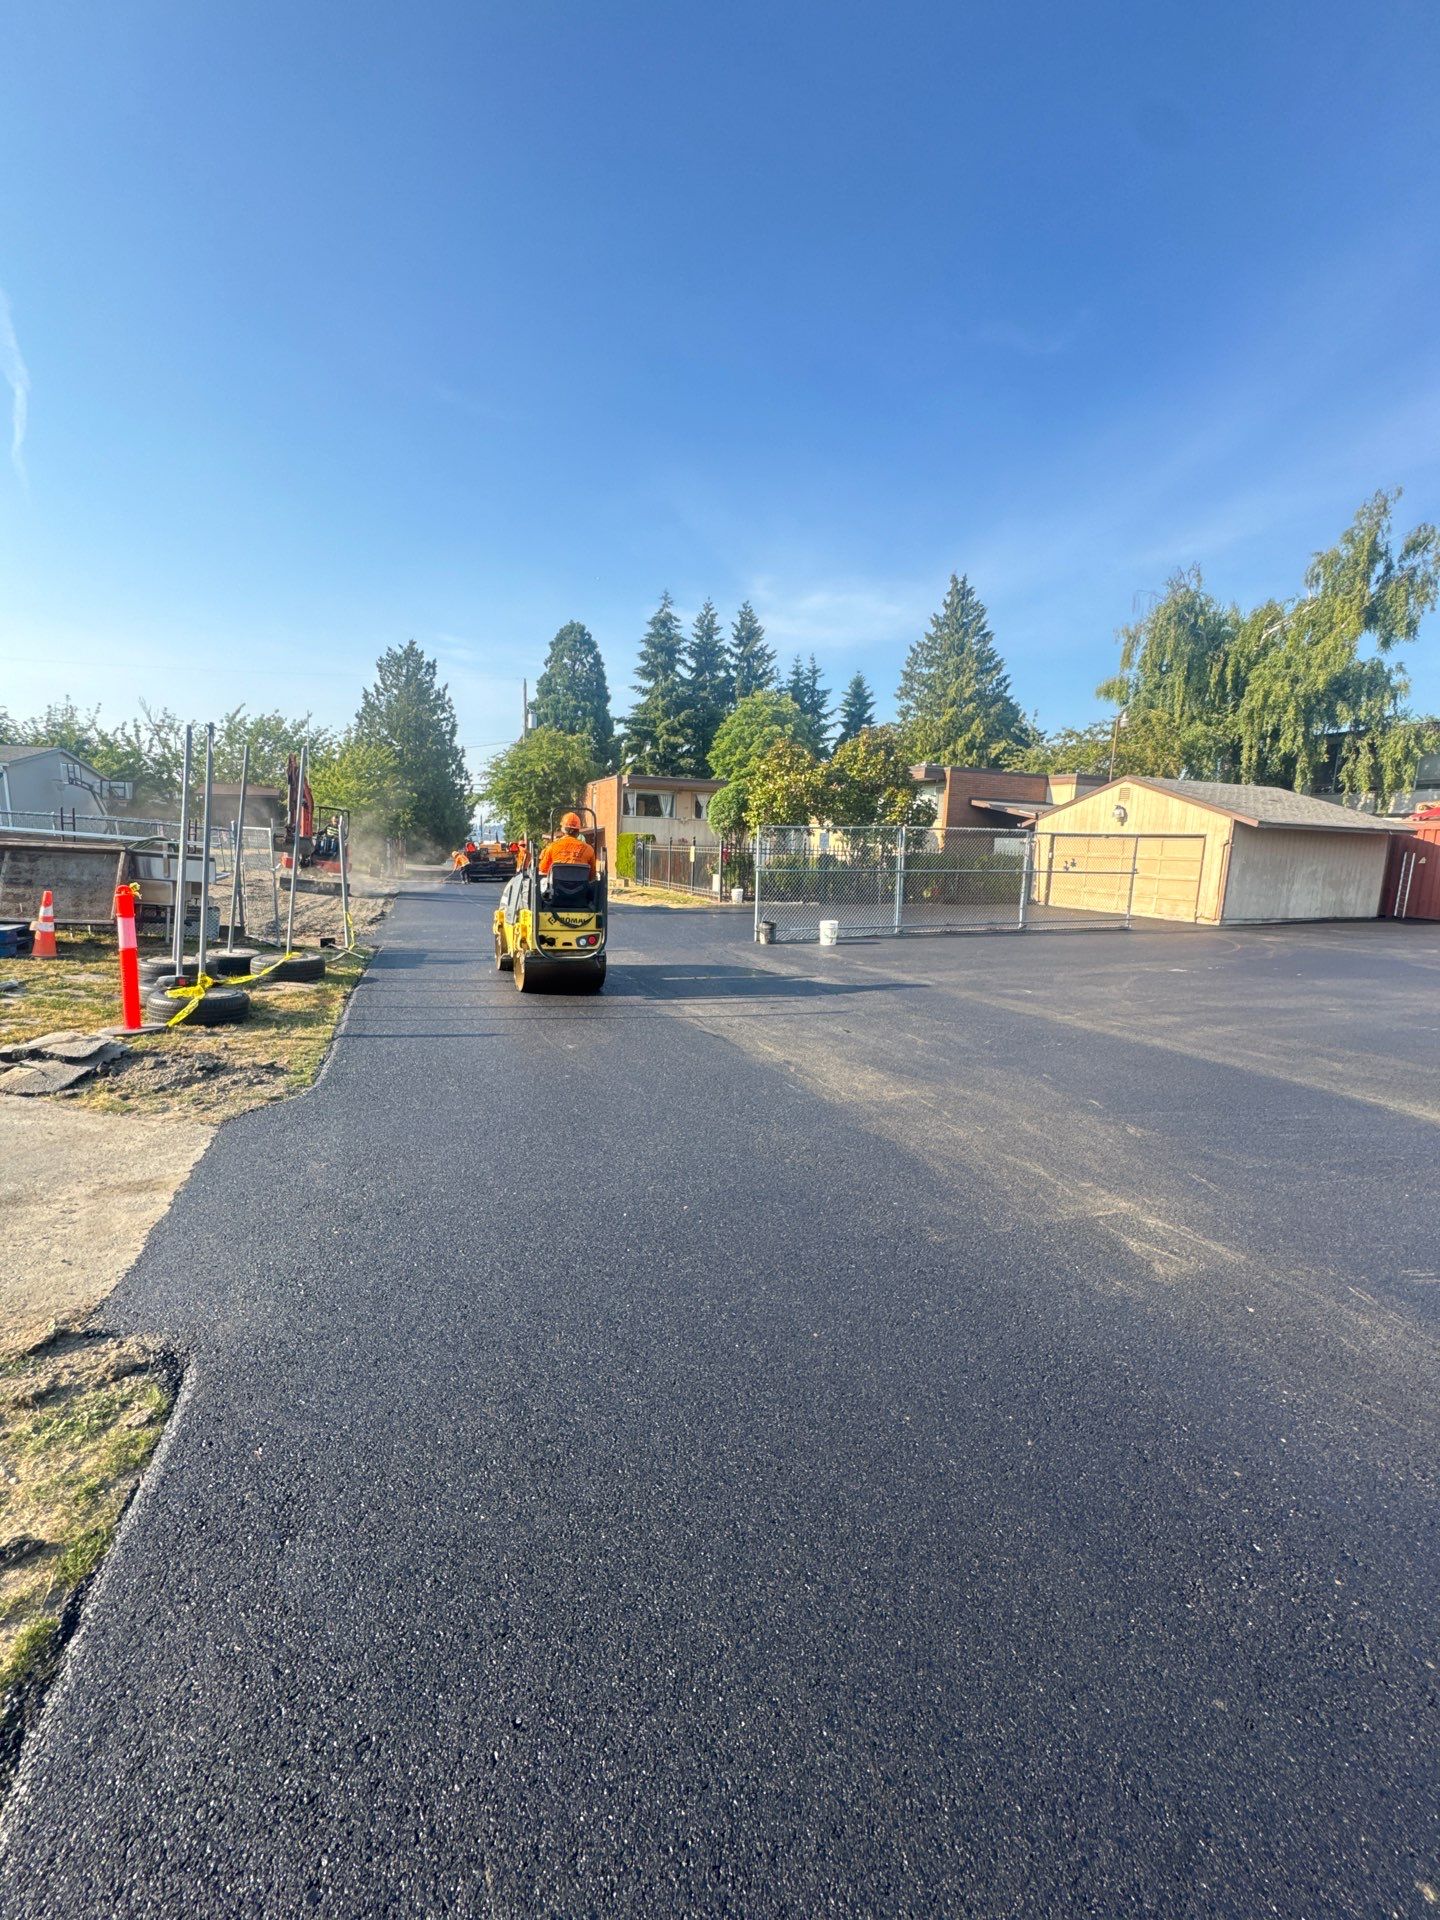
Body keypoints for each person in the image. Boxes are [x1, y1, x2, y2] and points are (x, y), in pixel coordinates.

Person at [538, 811, 597, 877]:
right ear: (578, 831)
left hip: (556, 886)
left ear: (563, 829)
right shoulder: (589, 849)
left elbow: (543, 869)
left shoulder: (552, 846)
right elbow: (592, 875)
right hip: (581, 886)